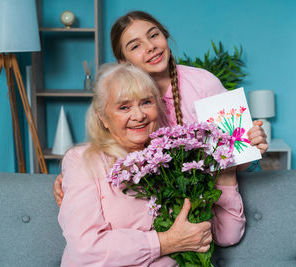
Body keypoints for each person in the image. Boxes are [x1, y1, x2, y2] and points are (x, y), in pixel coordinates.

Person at [53, 10, 268, 206]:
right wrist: (74, 177)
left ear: (165, 36)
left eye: (153, 35)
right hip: (173, 197)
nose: (150, 46)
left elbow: (237, 157)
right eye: (135, 46)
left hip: (228, 184)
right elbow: (109, 149)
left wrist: (252, 142)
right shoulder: (122, 98)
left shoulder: (204, 83)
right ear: (123, 61)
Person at [58, 63, 246, 266]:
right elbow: (85, 248)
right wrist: (166, 242)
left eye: (146, 102)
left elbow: (226, 236)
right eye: (124, 107)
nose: (139, 116)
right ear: (102, 116)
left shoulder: (178, 161)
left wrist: (227, 174)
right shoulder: (82, 160)